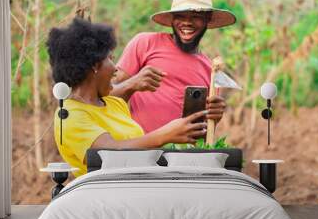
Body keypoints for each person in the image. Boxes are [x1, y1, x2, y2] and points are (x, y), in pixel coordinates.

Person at [47, 18, 207, 177]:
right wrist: (164, 135)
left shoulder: (114, 103)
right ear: (95, 66)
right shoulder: (69, 115)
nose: (116, 69)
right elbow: (110, 153)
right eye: (110, 59)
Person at [111, 0, 236, 133]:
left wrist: (214, 118)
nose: (187, 22)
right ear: (171, 19)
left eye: (196, 17)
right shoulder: (145, 43)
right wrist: (133, 84)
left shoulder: (212, 71)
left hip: (182, 155)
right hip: (139, 150)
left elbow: (203, 133)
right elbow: (103, 97)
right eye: (180, 16)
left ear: (207, 20)